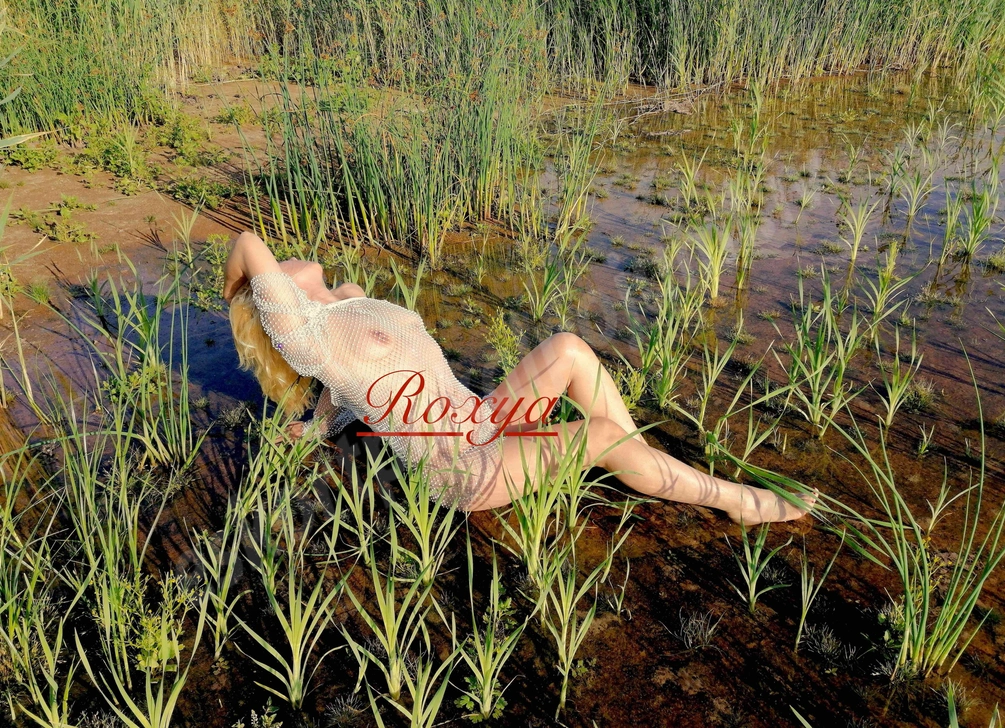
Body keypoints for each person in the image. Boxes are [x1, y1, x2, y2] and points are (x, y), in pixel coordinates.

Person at [223, 230, 816, 523]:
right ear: (273, 300)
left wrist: (318, 426)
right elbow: (246, 242)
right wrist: (236, 296)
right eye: (272, 269)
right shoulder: (301, 333)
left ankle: (644, 461)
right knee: (597, 435)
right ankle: (739, 502)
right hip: (460, 467)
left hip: (482, 419)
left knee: (569, 349)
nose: (280, 252)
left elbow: (348, 385)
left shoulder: (347, 301)